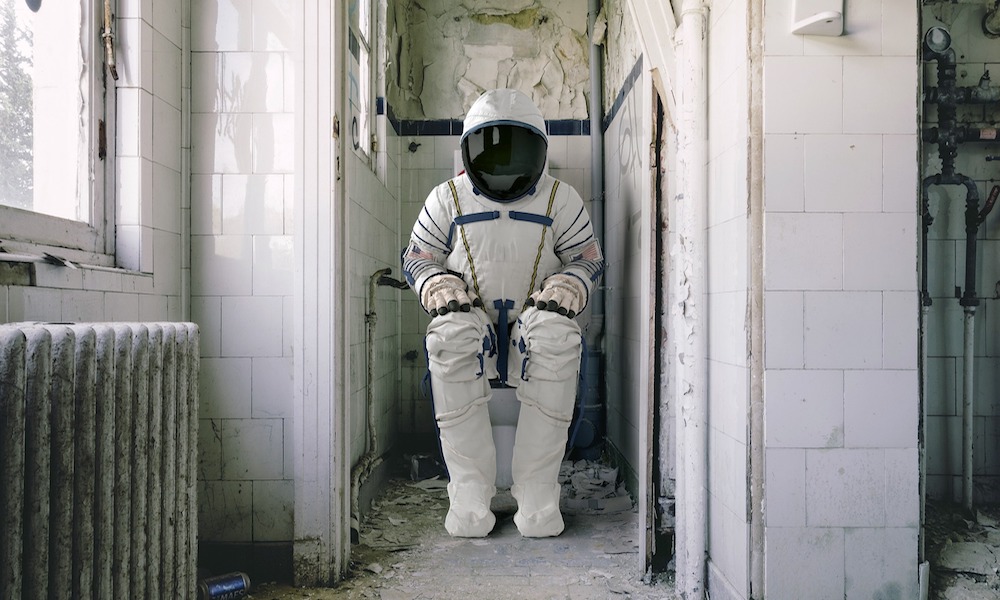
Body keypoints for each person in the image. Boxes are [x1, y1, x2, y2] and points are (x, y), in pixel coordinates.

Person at [402, 89, 604, 538]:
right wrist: (437, 282)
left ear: (540, 149)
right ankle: (470, 497)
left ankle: (538, 498)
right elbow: (417, 256)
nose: (504, 162)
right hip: (471, 321)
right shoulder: (448, 198)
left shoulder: (559, 200)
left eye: (516, 148)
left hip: (535, 322)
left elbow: (587, 258)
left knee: (557, 336)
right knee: (448, 336)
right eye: (492, 148)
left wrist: (571, 282)